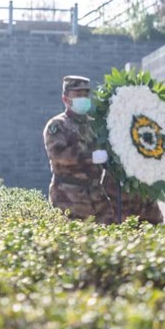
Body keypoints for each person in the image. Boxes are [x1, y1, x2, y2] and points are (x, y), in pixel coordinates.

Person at [43, 75, 115, 222]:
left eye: (86, 94)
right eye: (78, 95)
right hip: (68, 196)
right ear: (65, 99)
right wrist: (92, 157)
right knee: (74, 240)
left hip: (96, 194)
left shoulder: (94, 125)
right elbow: (59, 155)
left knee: (108, 239)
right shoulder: (57, 125)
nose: (83, 98)